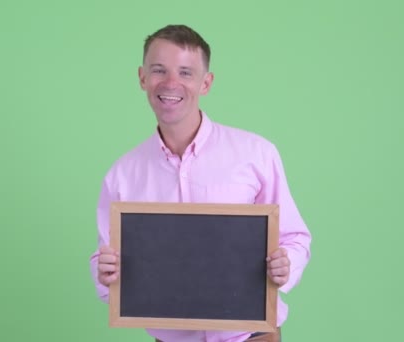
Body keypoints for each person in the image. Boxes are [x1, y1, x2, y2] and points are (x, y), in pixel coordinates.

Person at [89, 24, 311, 342]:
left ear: (206, 83)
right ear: (142, 77)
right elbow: (104, 257)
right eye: (158, 70)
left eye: (186, 72)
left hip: (252, 336)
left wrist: (286, 264)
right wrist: (106, 273)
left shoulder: (256, 154)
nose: (171, 83)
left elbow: (294, 237)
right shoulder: (122, 175)